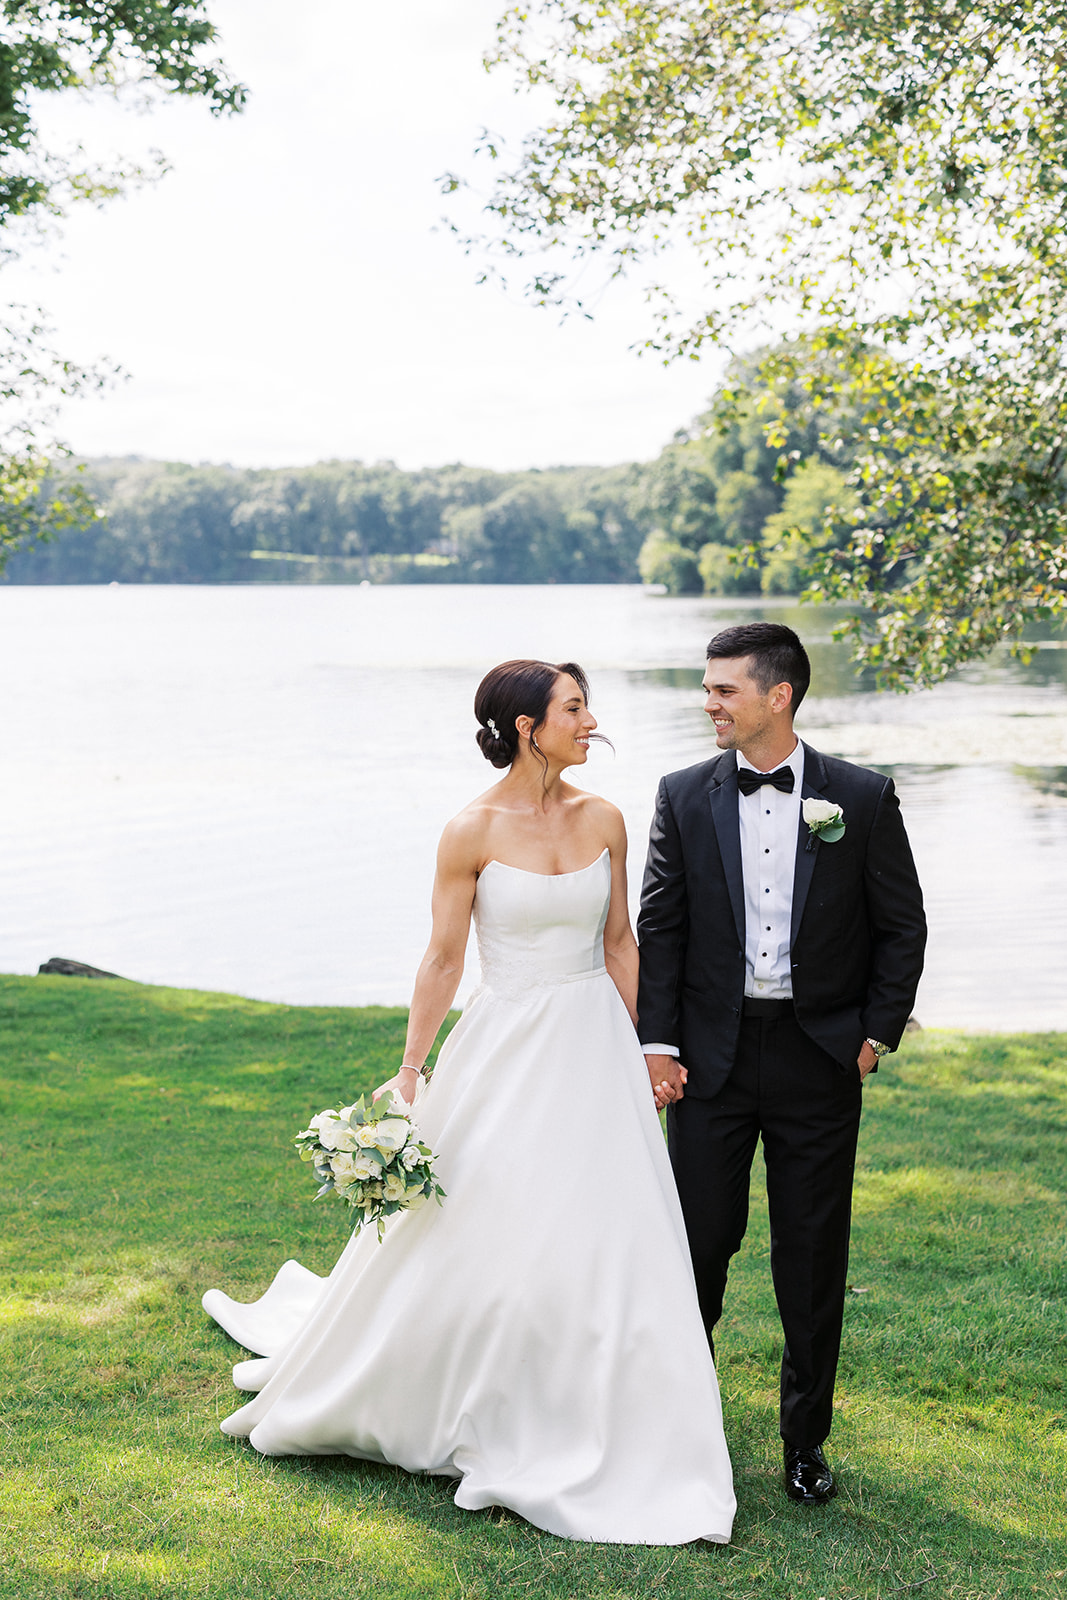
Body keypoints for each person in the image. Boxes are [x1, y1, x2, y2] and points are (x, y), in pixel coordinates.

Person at [203, 658, 735, 1546]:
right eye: (573, 708)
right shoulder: (469, 830)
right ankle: (460, 1384)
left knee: (606, 1225)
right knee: (489, 1219)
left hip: (594, 1045)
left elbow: (617, 942)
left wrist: (648, 1048)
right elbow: (444, 960)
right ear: (527, 726)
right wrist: (411, 1072)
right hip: (506, 1045)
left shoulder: (604, 817)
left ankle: (607, 1395)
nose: (589, 720)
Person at [637, 622, 926, 1507]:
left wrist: (874, 1036)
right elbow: (662, 927)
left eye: (723, 689)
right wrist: (659, 1044)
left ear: (778, 696)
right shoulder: (681, 794)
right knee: (697, 1252)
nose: (708, 702)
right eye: (706, 687)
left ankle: (804, 1445)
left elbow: (901, 926)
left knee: (809, 1257)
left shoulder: (862, 797)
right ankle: (682, 1435)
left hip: (817, 1061)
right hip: (710, 1066)